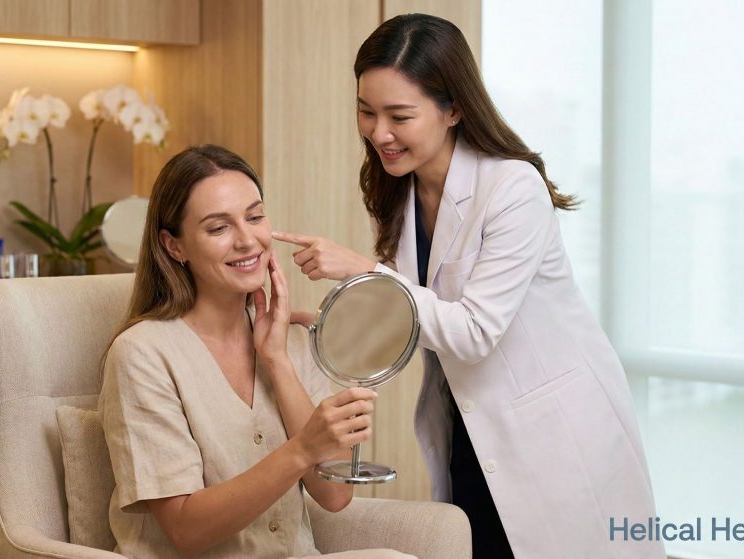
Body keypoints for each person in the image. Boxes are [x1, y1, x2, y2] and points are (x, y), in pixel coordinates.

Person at [273, 14, 664, 559]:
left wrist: (364, 271)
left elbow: (474, 331)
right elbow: (418, 318)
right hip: (468, 429)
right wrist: (337, 329)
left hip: (551, 436)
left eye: (399, 116)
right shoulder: (397, 191)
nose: (378, 132)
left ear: (454, 108)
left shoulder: (512, 188)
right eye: (366, 111)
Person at [99, 144, 414, 559]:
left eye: (255, 216)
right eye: (218, 228)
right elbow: (185, 530)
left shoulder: (293, 341)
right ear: (174, 246)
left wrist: (279, 362)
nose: (248, 241)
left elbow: (335, 495)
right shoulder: (143, 354)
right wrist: (300, 450)